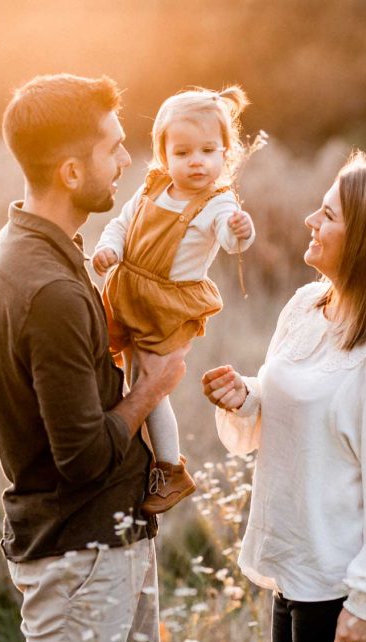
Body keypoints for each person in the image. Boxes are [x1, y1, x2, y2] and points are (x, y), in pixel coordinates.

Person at [201, 152, 366, 642]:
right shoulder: (306, 307)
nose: (309, 221)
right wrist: (247, 397)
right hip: (297, 569)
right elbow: (304, 411)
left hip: (345, 589)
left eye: (329, 215)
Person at [0, 73, 188, 642]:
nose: (127, 160)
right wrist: (153, 386)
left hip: (104, 544)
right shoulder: (50, 289)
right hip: (83, 559)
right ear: (71, 173)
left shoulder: (24, 244)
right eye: (113, 148)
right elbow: (82, 456)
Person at [91, 86, 257, 516]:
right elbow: (121, 224)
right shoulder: (154, 185)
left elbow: (229, 237)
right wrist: (109, 249)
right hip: (128, 290)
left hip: (166, 306)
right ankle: (131, 454)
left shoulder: (218, 203)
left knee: (149, 385)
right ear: (163, 154)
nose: (196, 161)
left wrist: (241, 230)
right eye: (182, 152)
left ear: (225, 153)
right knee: (121, 375)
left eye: (208, 150)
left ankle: (170, 468)